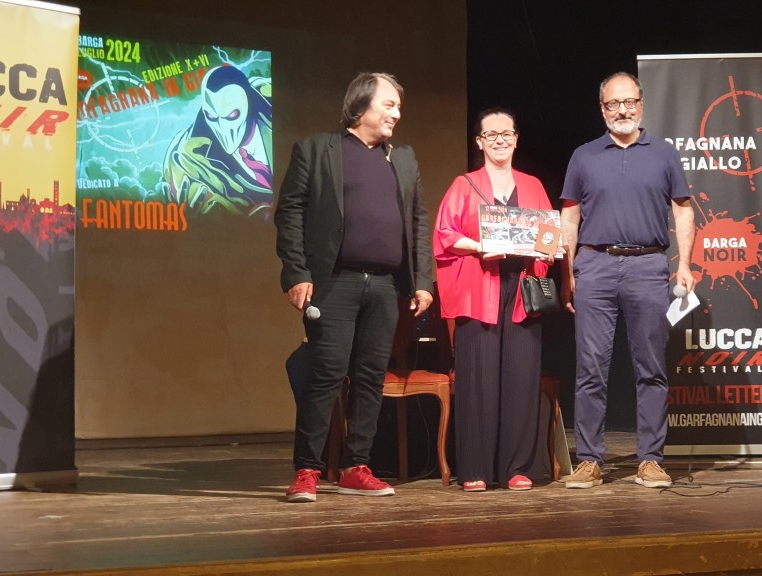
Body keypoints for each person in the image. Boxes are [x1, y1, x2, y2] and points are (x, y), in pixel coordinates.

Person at [275, 72, 434, 502]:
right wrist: (297, 272)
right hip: (335, 282)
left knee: (369, 378)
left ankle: (355, 467)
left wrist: (422, 280)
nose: (396, 114)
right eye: (389, 105)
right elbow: (290, 213)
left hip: (385, 286)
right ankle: (307, 469)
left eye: (399, 107)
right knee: (325, 375)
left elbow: (418, 222)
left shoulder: (403, 159)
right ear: (361, 105)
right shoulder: (317, 150)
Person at [559, 72, 696, 489]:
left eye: (629, 102)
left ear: (641, 104)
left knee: (651, 368)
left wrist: (685, 264)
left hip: (648, 266)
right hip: (595, 266)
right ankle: (589, 460)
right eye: (613, 103)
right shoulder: (583, 156)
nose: (622, 110)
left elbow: (683, 210)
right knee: (590, 369)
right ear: (602, 108)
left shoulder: (664, 153)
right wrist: (568, 271)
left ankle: (650, 459)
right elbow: (569, 216)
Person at [433, 108, 553, 491]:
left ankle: (518, 467)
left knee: (521, 377)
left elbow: (548, 236)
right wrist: (480, 246)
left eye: (507, 133)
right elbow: (445, 234)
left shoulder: (533, 185)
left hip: (522, 290)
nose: (500, 140)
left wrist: (549, 248)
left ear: (516, 139)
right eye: (491, 134)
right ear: (479, 142)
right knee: (478, 380)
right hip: (478, 289)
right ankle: (476, 469)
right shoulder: (464, 185)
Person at [165, 65, 274, 218]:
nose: (222, 127)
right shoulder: (189, 159)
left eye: (232, 115)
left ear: (248, 101)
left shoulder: (271, 98)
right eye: (212, 117)